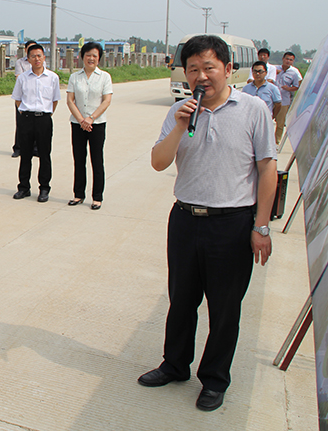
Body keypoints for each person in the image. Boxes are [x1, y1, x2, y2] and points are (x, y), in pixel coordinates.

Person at [138, 34, 277, 411]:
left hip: (232, 225)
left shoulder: (252, 109)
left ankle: (214, 379)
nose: (201, 76)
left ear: (228, 69)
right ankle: (174, 364)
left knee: (225, 307)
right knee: (181, 299)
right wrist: (180, 125)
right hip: (185, 219)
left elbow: (267, 169)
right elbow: (159, 162)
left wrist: (261, 226)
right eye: (193, 69)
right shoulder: (178, 111)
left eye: (209, 67)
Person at [65, 41, 113, 209]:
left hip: (97, 124)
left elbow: (106, 100)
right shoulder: (74, 77)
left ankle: (97, 197)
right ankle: (78, 194)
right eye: (88, 55)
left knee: (97, 160)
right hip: (77, 124)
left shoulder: (105, 77)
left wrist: (91, 118)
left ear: (99, 58)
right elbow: (70, 100)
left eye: (94, 56)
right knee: (79, 160)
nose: (91, 58)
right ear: (82, 57)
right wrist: (81, 120)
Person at [11, 43, 60, 203]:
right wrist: (26, 113)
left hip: (44, 120)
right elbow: (17, 99)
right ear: (28, 59)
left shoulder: (52, 77)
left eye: (39, 56)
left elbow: (55, 100)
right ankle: (23, 187)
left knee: (44, 155)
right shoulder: (23, 78)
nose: (37, 59)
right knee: (25, 155)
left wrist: (46, 114)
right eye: (33, 56)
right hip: (26, 119)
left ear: (44, 57)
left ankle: (44, 188)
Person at [12, 40, 38, 158]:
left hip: (36, 97)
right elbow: (19, 78)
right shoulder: (20, 62)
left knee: (36, 124)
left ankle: (35, 148)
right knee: (21, 123)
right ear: (26, 50)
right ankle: (18, 148)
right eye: (30, 49)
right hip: (22, 97)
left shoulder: (41, 62)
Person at [274, 52, 302, 144]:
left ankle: (276, 142)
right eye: (287, 59)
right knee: (267, 121)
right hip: (272, 100)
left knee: (280, 123)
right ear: (283, 59)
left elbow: (296, 86)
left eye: (291, 60)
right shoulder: (275, 69)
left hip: (284, 101)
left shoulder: (293, 74)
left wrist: (289, 88)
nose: (288, 61)